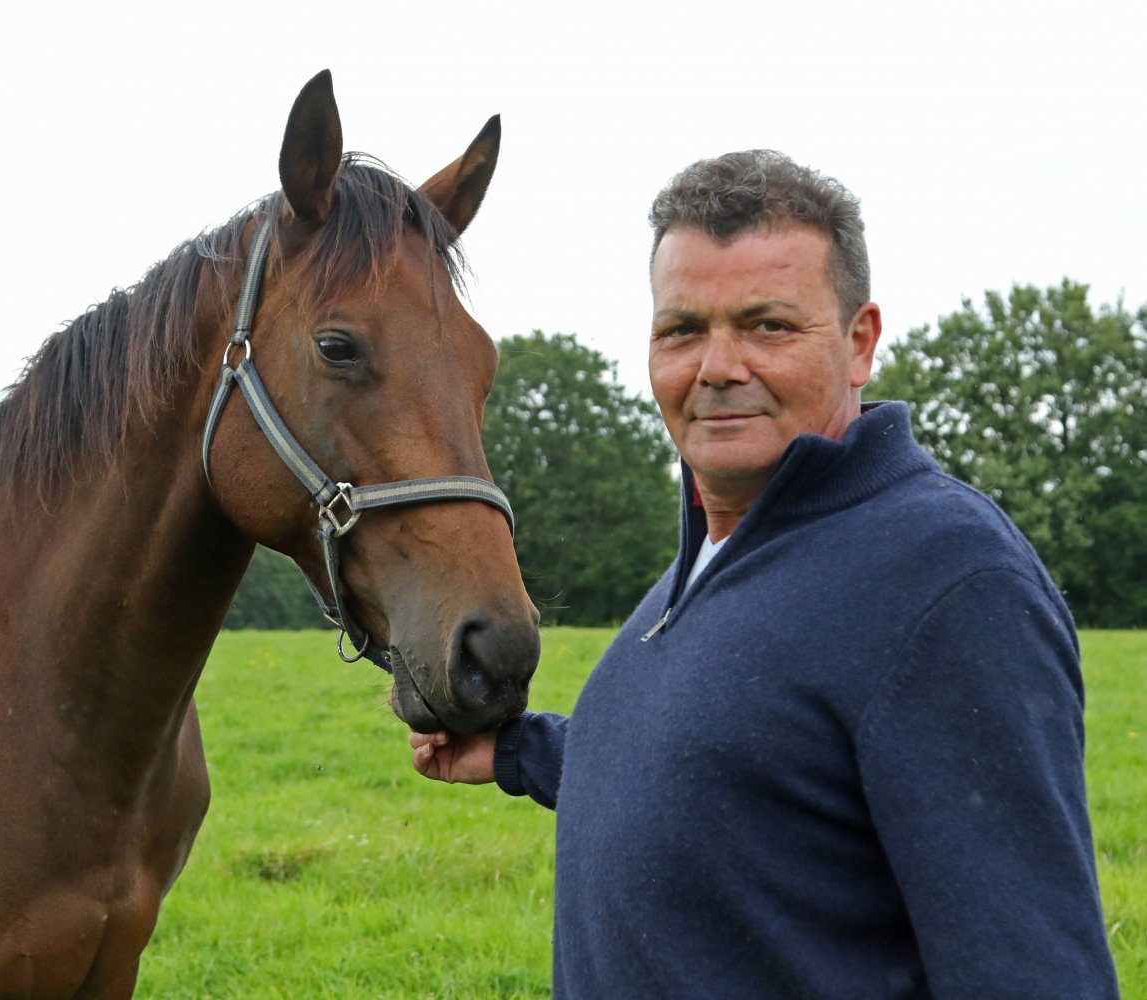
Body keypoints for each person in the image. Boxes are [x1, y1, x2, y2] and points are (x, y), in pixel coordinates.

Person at [410, 150, 1120, 998]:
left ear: (859, 344)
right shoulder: (716, 555)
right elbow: (747, 773)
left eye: (768, 326)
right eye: (682, 330)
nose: (717, 367)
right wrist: (525, 752)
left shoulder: (949, 582)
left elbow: (1035, 973)